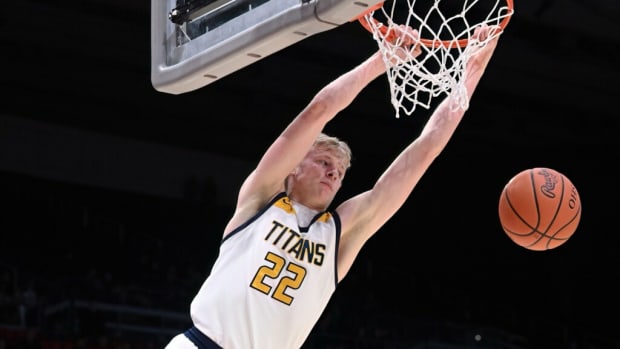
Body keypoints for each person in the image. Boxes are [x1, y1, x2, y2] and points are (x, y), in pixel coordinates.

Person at [165, 25, 502, 349]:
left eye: (340, 172)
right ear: (294, 167)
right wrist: (383, 59)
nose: (333, 174)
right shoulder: (262, 197)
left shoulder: (341, 231)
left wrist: (472, 71)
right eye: (324, 162)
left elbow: (426, 149)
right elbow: (319, 111)